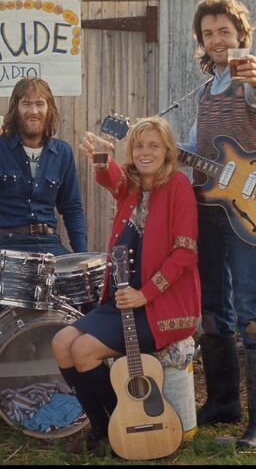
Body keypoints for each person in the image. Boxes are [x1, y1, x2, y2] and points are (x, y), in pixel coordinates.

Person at [51, 117, 201, 454]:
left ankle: (120, 423)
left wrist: (145, 294)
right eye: (138, 146)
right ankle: (103, 428)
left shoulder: (178, 186)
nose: (145, 152)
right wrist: (100, 155)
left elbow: (185, 253)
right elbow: (111, 177)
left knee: (84, 350)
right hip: (124, 299)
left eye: (154, 146)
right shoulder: (133, 186)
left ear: (168, 151)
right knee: (62, 343)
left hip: (162, 308)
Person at [182, 0, 256, 449]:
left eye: (224, 30)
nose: (216, 40)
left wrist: (255, 75)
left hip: (248, 212)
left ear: (241, 34)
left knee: (252, 306)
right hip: (208, 209)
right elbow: (194, 148)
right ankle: (223, 402)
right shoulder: (204, 92)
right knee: (213, 306)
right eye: (208, 34)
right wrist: (157, 148)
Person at [0, 77, 88, 314]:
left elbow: (72, 209)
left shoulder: (63, 152)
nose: (33, 111)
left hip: (50, 245)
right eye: (26, 104)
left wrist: (81, 257)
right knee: (11, 316)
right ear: (15, 109)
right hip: (7, 246)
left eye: (40, 104)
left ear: (49, 109)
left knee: (83, 302)